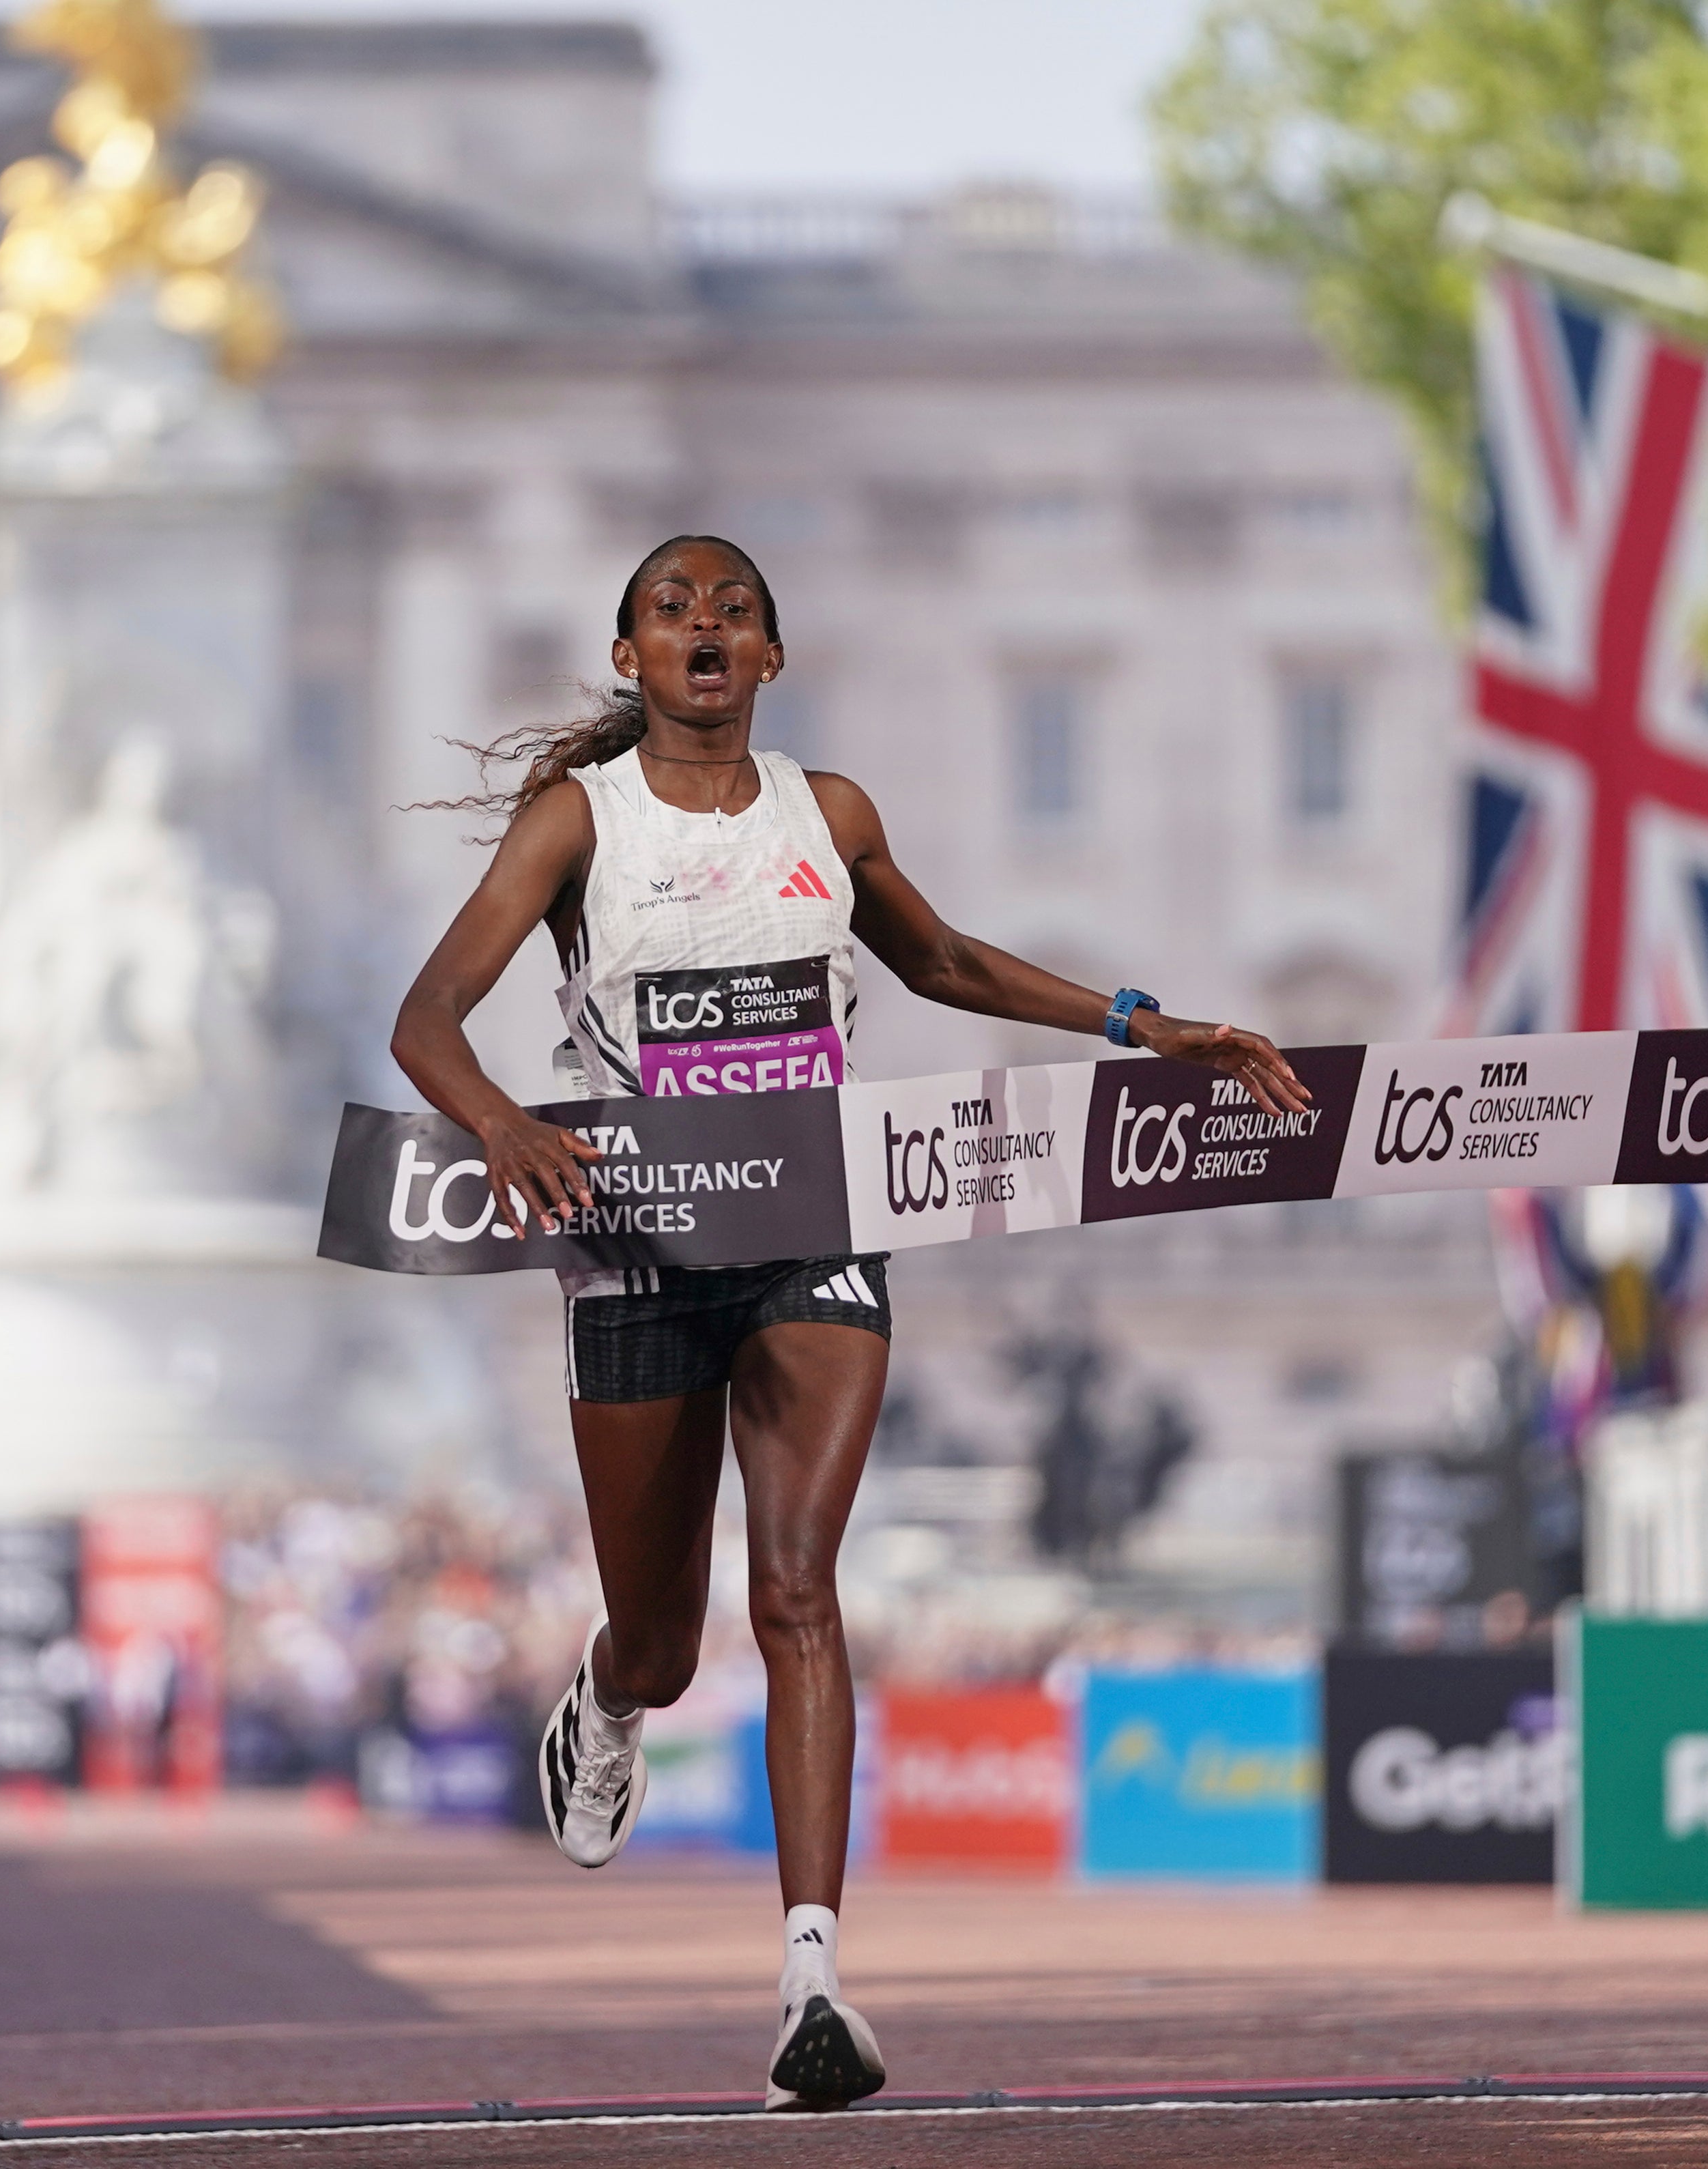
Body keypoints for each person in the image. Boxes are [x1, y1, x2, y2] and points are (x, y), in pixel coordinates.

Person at [388, 536, 1307, 2110]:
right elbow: (426, 1017)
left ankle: (810, 1973)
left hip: (816, 1226)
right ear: (627, 656)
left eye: (731, 608)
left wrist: (1148, 1027)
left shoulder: (830, 813)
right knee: (665, 1638)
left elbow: (939, 961)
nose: (703, 623)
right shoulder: (576, 824)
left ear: (769, 656)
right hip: (635, 1243)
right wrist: (500, 1122)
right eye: (671, 607)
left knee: (798, 1586)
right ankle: (605, 1696)